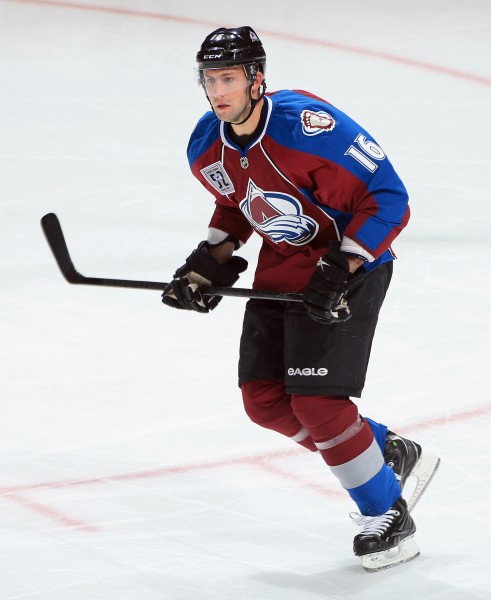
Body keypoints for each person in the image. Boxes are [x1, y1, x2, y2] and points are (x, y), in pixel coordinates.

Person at [162, 26, 440, 571]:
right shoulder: (206, 142)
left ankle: (386, 515)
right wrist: (207, 263)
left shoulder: (311, 128)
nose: (218, 91)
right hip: (283, 267)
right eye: (210, 79)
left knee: (318, 403)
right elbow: (238, 202)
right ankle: (383, 452)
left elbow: (390, 198)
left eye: (229, 78)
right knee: (263, 401)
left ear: (257, 78)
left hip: (354, 264)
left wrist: (344, 264)